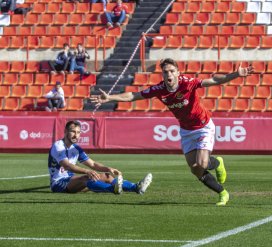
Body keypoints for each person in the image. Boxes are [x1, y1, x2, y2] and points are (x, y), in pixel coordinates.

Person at [90, 58, 254, 206]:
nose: (168, 74)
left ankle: (216, 163)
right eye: (165, 71)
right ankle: (222, 193)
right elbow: (133, 96)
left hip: (203, 126)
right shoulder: (160, 89)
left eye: (171, 71)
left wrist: (236, 74)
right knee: (195, 169)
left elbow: (214, 81)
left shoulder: (187, 83)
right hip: (186, 131)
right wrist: (110, 98)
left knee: (202, 163)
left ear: (178, 73)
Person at [48, 120, 153, 194]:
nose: (76, 135)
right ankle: (113, 189)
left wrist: (108, 169)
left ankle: (136, 187)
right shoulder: (58, 146)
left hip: (71, 180)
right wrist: (87, 171)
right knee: (87, 178)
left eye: (78, 132)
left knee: (106, 176)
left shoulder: (76, 148)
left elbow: (93, 164)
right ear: (65, 132)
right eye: (73, 132)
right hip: (59, 184)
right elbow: (67, 166)